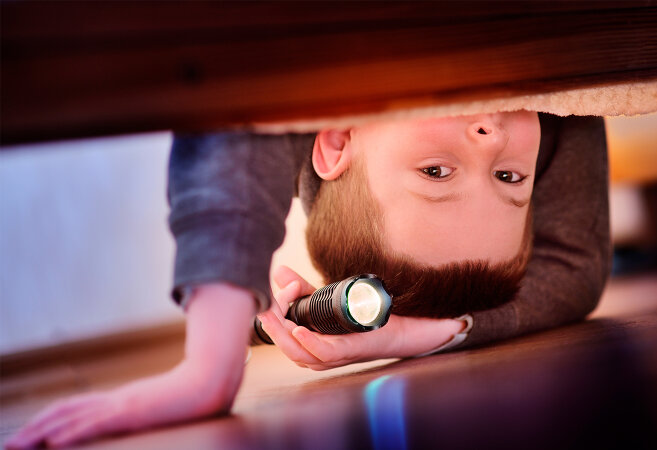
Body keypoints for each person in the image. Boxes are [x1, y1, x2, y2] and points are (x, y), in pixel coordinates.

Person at [6, 111, 610, 449]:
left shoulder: (315, 78)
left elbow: (241, 110)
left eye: (436, 172)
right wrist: (434, 333)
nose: (492, 139)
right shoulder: (547, 117)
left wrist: (209, 365)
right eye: (510, 179)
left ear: (336, 138)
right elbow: (576, 266)